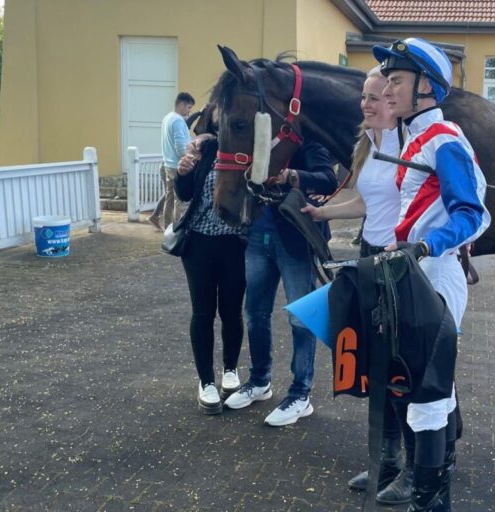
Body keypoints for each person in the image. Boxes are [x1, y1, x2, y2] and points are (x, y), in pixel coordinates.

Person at [373, 37, 491, 511]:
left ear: (426, 86)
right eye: (387, 80)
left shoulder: (443, 138)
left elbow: (473, 214)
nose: (387, 89)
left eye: (396, 80)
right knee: (423, 387)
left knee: (426, 395)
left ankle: (430, 502)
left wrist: (426, 244)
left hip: (436, 274)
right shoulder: (417, 138)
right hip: (413, 272)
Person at [302, 67, 412, 504]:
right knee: (376, 364)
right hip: (370, 258)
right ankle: (385, 459)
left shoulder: (412, 147)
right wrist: (322, 214)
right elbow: (367, 201)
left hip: (401, 264)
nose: (366, 104)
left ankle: (415, 464)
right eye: (363, 97)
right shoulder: (368, 143)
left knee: (405, 366)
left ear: (395, 100)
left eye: (375, 96)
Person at [224, 140, 338, 427]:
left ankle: (301, 394)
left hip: (295, 238)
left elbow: (328, 179)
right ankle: (260, 380)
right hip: (257, 234)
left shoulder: (305, 141)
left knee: (301, 317)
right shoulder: (257, 141)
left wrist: (292, 176)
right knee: (255, 313)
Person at [174, 133, 247, 415]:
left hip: (234, 245)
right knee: (203, 313)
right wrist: (182, 173)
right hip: (199, 245)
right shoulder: (205, 150)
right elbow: (185, 193)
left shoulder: (245, 150)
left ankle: (230, 369)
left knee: (231, 311)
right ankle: (206, 381)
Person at [148, 92, 195, 230]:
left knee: (169, 197)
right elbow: (181, 147)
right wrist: (191, 158)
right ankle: (178, 228)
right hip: (178, 165)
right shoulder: (178, 121)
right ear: (181, 104)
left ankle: (168, 227)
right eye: (188, 108)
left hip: (168, 164)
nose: (188, 112)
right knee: (180, 200)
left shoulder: (167, 118)